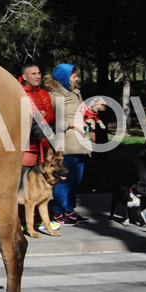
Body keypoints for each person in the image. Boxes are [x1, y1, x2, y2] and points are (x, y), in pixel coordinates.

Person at [45, 64, 92, 226]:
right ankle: (59, 212)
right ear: (65, 77)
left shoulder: (76, 93)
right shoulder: (54, 96)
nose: (77, 79)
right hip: (67, 144)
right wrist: (73, 124)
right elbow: (52, 120)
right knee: (64, 180)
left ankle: (69, 209)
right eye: (73, 76)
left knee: (76, 180)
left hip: (81, 142)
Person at [18, 64, 59, 233]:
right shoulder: (17, 92)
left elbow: (50, 116)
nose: (37, 76)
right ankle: (20, 220)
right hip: (24, 147)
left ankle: (39, 220)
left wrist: (43, 116)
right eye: (33, 73)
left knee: (42, 184)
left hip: (41, 145)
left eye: (39, 72)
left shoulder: (44, 93)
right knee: (22, 186)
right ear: (24, 76)